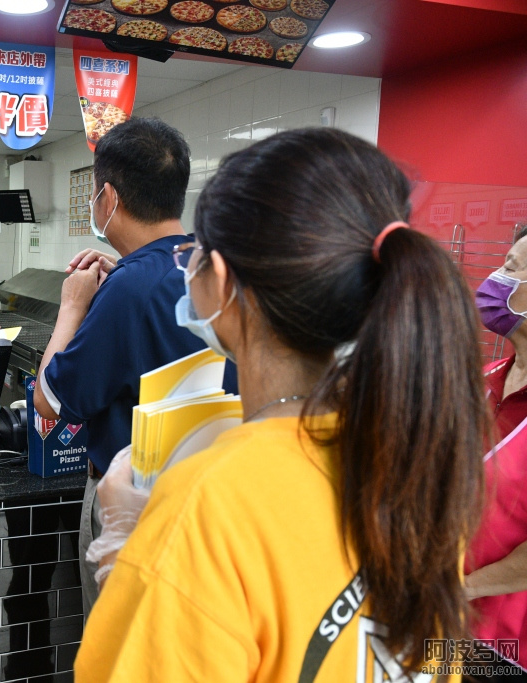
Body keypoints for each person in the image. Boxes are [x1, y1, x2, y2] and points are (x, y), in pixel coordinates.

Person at [76, 128, 487, 681]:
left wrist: (124, 557)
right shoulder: (423, 462)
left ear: (220, 284)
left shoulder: (210, 501)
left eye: (192, 255)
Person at [33, 116, 237, 616]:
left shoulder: (127, 288)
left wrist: (73, 305)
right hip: (214, 499)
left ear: (107, 197)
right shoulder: (220, 265)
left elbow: (50, 401)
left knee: (120, 640)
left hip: (135, 508)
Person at [466, 230, 527, 670]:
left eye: (515, 268)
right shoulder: (481, 379)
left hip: (503, 647)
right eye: (504, 262)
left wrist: (460, 587)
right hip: (442, 617)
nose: (498, 277)